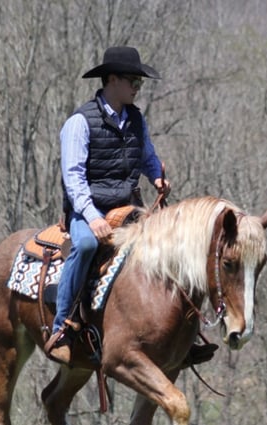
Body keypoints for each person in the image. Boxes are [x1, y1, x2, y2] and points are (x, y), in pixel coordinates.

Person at [46, 46, 216, 367]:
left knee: (171, 244)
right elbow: (73, 177)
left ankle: (182, 336)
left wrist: (156, 177)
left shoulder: (135, 119)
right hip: (88, 210)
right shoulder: (80, 123)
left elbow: (147, 156)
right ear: (112, 80)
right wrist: (92, 217)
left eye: (140, 81)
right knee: (83, 246)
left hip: (128, 207)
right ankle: (62, 327)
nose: (138, 87)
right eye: (133, 80)